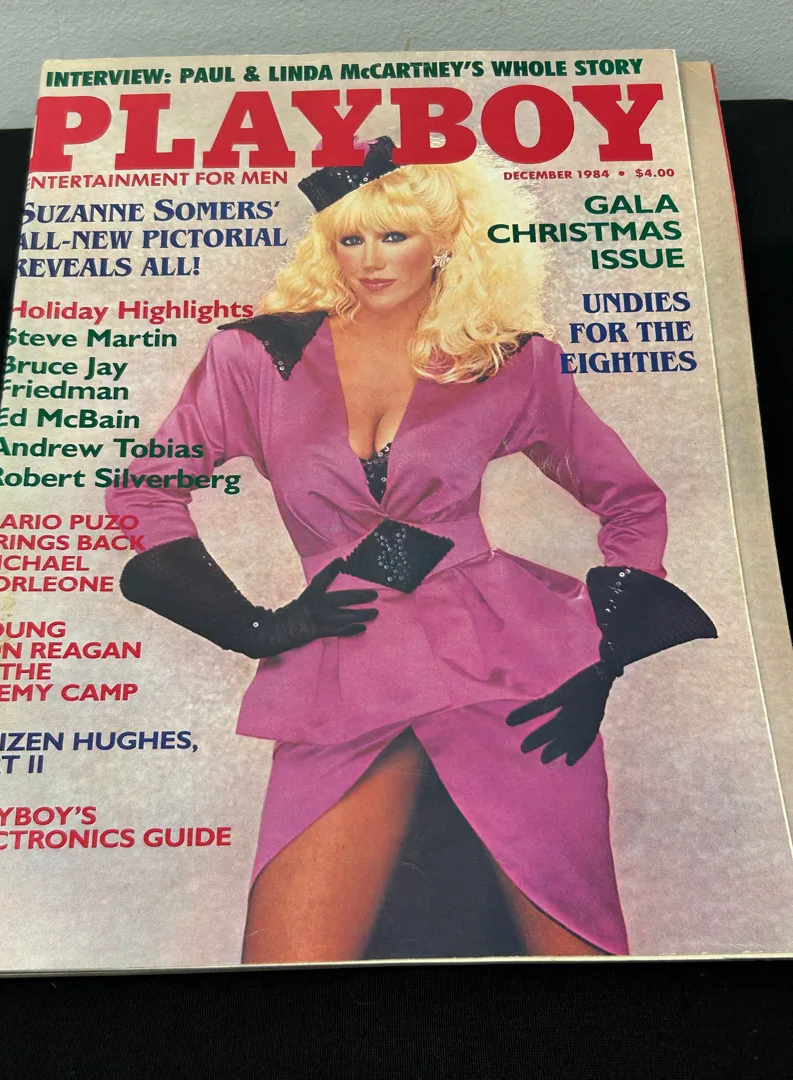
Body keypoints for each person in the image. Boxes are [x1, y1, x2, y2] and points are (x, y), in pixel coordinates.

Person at [107, 137, 715, 962]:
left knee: (576, 963)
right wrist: (251, 627)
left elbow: (631, 503)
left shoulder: (510, 363)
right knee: (283, 971)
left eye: (393, 236)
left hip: (507, 674)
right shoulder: (254, 358)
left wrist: (605, 657)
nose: (369, 259)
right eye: (349, 237)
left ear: (445, 242)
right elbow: (143, 491)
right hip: (341, 680)